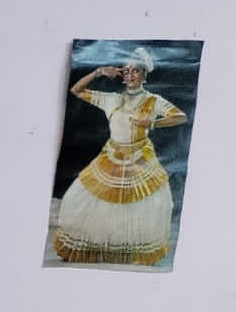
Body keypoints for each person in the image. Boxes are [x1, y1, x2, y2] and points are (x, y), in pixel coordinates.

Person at [53, 46, 187, 267]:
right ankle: (100, 246)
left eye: (136, 71)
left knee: (145, 205)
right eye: (126, 71)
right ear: (122, 76)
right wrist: (98, 72)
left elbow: (180, 116)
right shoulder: (111, 99)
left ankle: (128, 249)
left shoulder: (153, 100)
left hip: (140, 157)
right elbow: (76, 90)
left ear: (144, 75)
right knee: (83, 199)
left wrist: (153, 123)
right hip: (112, 156)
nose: (130, 75)